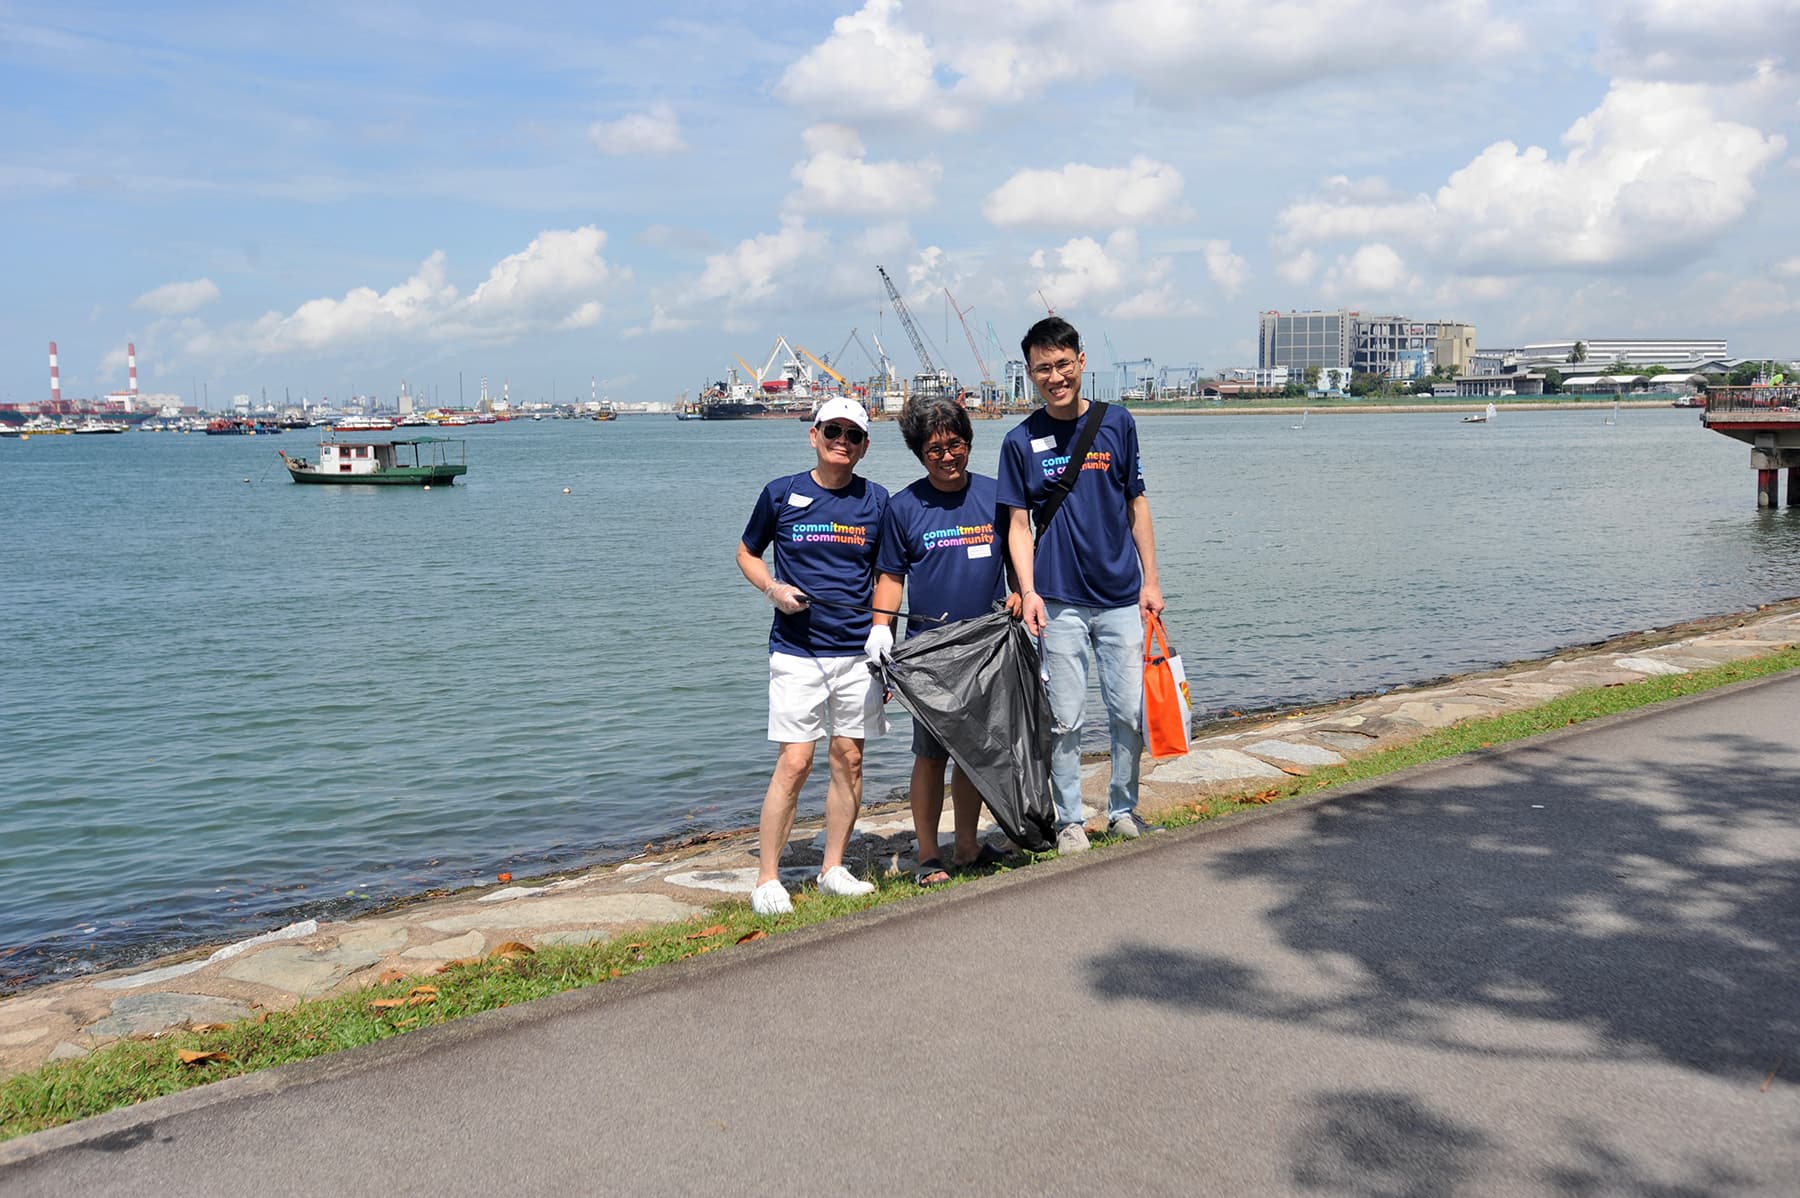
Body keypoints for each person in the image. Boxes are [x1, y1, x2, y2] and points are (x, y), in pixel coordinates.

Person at [997, 316, 1165, 854]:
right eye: (1043, 369)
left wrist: (1151, 582)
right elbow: (1018, 525)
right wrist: (1029, 591)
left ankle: (1123, 810)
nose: (1055, 377)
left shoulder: (1117, 423)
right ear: (1030, 373)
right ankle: (1070, 819)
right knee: (1065, 719)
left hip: (1120, 596)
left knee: (1129, 713)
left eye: (1063, 364)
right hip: (1058, 600)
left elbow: (1136, 503)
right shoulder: (1019, 441)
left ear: (1081, 362)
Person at [736, 398, 890, 915]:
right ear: (814, 435)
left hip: (858, 652)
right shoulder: (781, 493)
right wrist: (774, 590)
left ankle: (833, 869)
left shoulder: (878, 500)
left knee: (850, 759)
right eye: (832, 431)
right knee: (796, 761)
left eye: (853, 434)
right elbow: (746, 553)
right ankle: (767, 879)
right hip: (797, 651)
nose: (841, 441)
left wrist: (883, 636)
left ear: (864, 446)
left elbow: (888, 575)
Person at [869, 397, 1021, 886]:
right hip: (929, 655)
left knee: (976, 753)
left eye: (955, 444)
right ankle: (929, 855)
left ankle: (969, 845)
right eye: (934, 449)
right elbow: (891, 577)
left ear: (969, 443)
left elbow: (1019, 556)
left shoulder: (996, 495)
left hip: (988, 646)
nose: (947, 456)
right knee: (931, 755)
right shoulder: (903, 507)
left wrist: (1022, 592)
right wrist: (881, 630)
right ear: (919, 453)